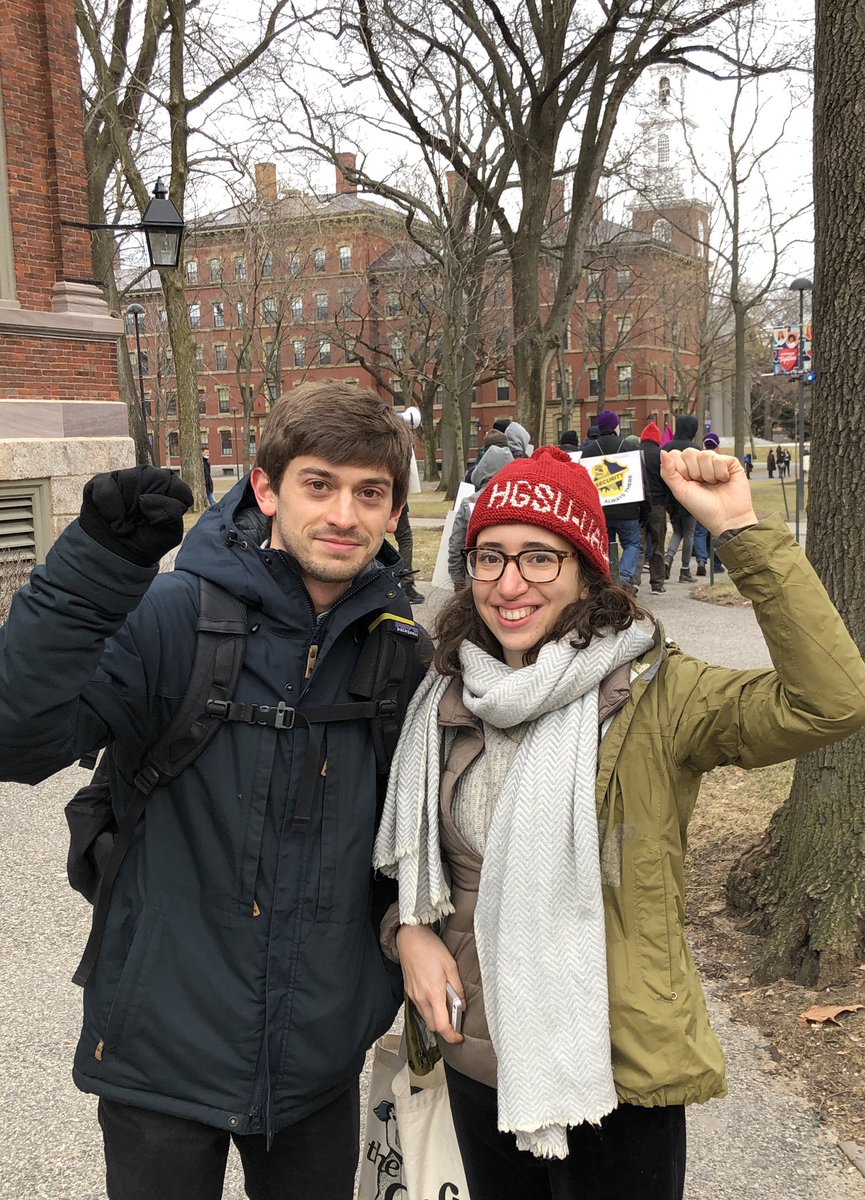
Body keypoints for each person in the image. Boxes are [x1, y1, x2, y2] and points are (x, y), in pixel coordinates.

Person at [374, 444, 865, 1200]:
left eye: (540, 558)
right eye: (488, 557)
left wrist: (740, 530)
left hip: (617, 1063)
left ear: (585, 571)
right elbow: (417, 870)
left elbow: (830, 700)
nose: (509, 585)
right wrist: (406, 929)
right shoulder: (440, 699)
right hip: (479, 1056)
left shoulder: (660, 695)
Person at [0, 383, 427, 1200]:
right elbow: (16, 741)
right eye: (319, 484)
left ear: (394, 511)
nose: (344, 513)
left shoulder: (401, 652)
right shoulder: (170, 617)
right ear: (266, 489)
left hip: (316, 1063)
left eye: (369, 492)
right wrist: (91, 573)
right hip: (160, 1053)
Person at [580, 409, 645, 594]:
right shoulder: (629, 448)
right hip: (628, 508)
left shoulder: (588, 451)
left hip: (601, 510)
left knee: (605, 545)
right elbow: (641, 481)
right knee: (632, 543)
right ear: (616, 426)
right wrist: (644, 510)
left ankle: (608, 578)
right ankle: (624, 578)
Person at [448, 445, 514, 588]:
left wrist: (458, 581)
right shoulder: (520, 501)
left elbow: (456, 545)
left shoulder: (470, 502)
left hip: (477, 579)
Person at [663, 413, 700, 582]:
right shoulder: (696, 449)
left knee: (678, 530)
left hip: (671, 497)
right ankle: (685, 570)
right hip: (690, 497)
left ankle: (668, 557)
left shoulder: (667, 447)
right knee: (689, 533)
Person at [639, 420, 669, 593]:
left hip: (639, 505)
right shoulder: (661, 455)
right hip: (658, 504)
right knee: (658, 543)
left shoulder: (635, 454)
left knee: (639, 543)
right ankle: (657, 582)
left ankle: (633, 581)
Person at [692, 433, 725, 576]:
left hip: (701, 501)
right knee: (717, 533)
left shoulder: (699, 460)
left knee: (700, 533)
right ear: (717, 446)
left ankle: (701, 561)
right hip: (716, 502)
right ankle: (716, 563)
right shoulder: (721, 460)